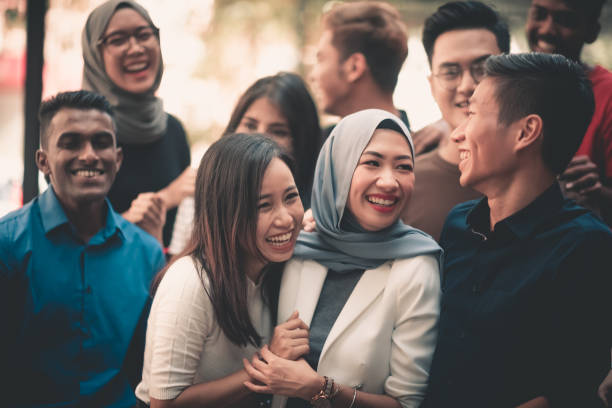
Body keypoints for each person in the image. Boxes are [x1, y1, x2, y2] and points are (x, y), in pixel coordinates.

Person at [423, 53, 612, 407]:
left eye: (473, 114)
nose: (458, 133)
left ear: (526, 132)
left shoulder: (587, 247)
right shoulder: (458, 224)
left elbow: (561, 393)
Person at [243, 109, 442, 408]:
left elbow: (406, 403)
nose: (389, 182)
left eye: (403, 167)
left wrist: (318, 388)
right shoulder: (297, 247)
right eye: (372, 163)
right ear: (338, 169)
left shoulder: (416, 266)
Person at [0, 90, 165, 407]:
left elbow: (150, 372)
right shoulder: (8, 245)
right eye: (71, 142)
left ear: (117, 159)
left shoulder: (148, 254)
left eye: (101, 142)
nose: (89, 155)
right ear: (43, 161)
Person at [135, 133, 307, 407]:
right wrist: (268, 362)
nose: (286, 218)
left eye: (291, 197)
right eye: (263, 206)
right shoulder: (190, 282)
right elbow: (164, 404)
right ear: (226, 212)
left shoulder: (271, 266)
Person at [82, 0, 193, 246]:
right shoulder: (79, 135)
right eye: (118, 40)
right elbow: (73, 239)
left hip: (163, 280)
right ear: (94, 55)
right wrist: (166, 197)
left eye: (144, 35)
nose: (136, 48)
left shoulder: (172, 130)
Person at [401, 1, 509, 241]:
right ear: (431, 85)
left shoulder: (543, 177)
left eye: (483, 68)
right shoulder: (402, 184)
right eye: (450, 72)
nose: (467, 85)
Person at [526, 0, 612, 218]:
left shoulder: (607, 96)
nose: (546, 30)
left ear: (592, 31)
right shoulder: (504, 84)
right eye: (539, 14)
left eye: (565, 20)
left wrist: (597, 192)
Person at [309, 1, 411, 134]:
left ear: (354, 67)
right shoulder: (316, 146)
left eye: (320, 59)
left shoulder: (429, 150)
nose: (312, 76)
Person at [224, 72, 323, 209]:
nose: (259, 138)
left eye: (278, 132)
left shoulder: (315, 219)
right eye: (250, 125)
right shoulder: (199, 196)